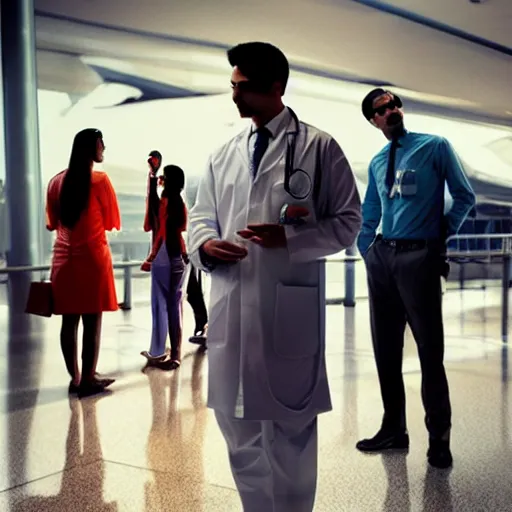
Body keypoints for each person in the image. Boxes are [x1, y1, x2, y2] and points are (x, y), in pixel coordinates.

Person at [187, 42, 362, 511]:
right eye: (233, 86)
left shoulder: (319, 147)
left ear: (275, 87)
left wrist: (291, 240)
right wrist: (204, 245)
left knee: (291, 436)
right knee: (239, 434)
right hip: (231, 309)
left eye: (242, 87)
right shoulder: (223, 153)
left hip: (289, 311)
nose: (234, 96)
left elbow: (348, 223)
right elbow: (201, 217)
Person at [356, 88, 476, 469]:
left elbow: (464, 195)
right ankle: (394, 429)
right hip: (383, 258)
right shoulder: (377, 161)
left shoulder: (434, 146)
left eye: (394, 105)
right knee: (386, 352)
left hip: (418, 257)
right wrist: (367, 250)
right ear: (373, 120)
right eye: (382, 109)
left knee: (429, 353)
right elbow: (370, 210)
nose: (392, 111)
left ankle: (439, 438)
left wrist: (439, 236)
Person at [46, 128, 120, 398]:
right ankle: (88, 380)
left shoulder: (56, 182)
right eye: (101, 144)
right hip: (92, 258)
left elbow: (51, 223)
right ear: (91, 149)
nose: (104, 149)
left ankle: (76, 378)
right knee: (92, 321)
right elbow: (112, 221)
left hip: (63, 260)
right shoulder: (99, 181)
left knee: (69, 322)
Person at [143, 151, 208, 346]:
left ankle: (198, 329)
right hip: (185, 248)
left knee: (183, 295)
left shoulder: (173, 201)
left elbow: (160, 222)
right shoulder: (178, 199)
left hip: (180, 248)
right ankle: (200, 328)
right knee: (186, 293)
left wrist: (152, 256)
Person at [140, 165, 189, 370]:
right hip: (179, 256)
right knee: (174, 306)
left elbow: (159, 232)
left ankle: (158, 351)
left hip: (164, 258)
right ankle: (176, 354)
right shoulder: (181, 203)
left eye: (163, 176)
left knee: (159, 304)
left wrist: (151, 257)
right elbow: (181, 228)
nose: (161, 178)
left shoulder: (165, 203)